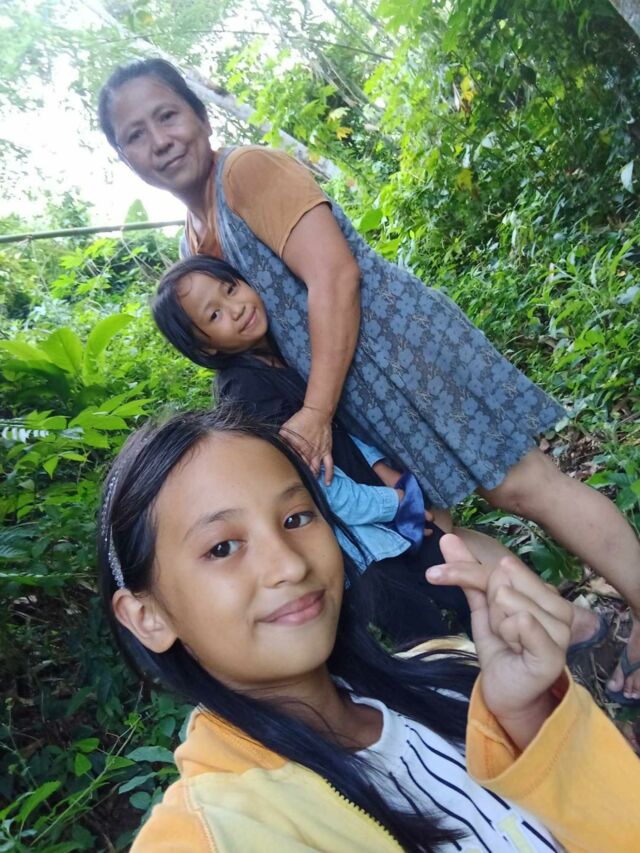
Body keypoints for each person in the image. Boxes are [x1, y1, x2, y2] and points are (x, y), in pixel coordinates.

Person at [97, 58, 640, 702]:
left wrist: (316, 413)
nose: (159, 141)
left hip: (396, 352)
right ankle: (574, 633)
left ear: (200, 115)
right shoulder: (195, 241)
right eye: (136, 135)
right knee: (432, 529)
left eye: (167, 116)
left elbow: (336, 276)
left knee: (524, 486)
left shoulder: (244, 172)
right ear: (125, 158)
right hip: (347, 395)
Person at [99, 407, 640, 852]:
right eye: (222, 547)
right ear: (148, 616)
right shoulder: (216, 827)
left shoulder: (454, 668)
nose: (289, 564)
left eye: (297, 519)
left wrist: (531, 718)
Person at [152, 253, 615, 656]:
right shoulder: (244, 391)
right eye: (215, 314)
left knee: (463, 580)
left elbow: (335, 431)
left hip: (386, 514)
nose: (236, 308)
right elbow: (308, 480)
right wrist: (395, 504)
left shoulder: (280, 354)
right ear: (205, 345)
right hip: (365, 546)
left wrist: (387, 474)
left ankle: (544, 652)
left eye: (231, 289)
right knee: (429, 629)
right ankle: (482, 701)